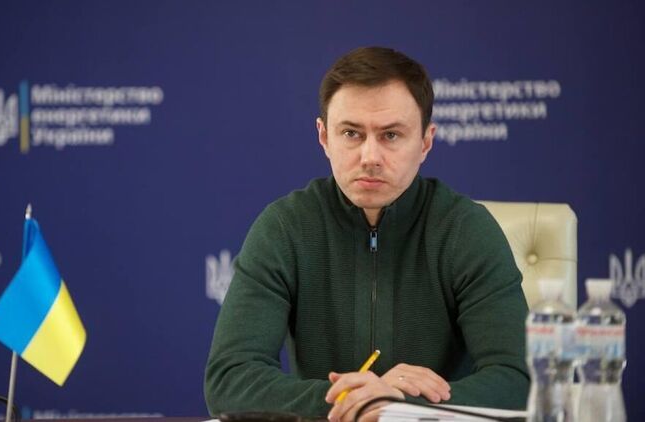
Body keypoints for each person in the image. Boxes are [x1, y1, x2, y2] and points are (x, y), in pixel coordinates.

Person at [204, 47, 529, 421]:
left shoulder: (465, 229)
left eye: (391, 135)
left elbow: (520, 379)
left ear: (426, 142)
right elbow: (229, 381)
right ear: (324, 137)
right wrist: (357, 402)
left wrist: (402, 405)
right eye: (351, 133)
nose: (370, 156)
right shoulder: (284, 228)